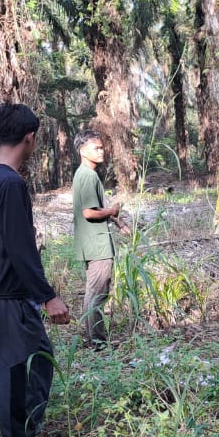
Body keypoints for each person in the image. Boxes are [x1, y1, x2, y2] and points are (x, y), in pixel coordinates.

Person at [0, 104, 71, 437]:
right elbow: (20, 247)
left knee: (31, 363)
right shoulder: (11, 183)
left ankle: (24, 436)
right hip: (10, 294)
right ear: (30, 138)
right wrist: (47, 296)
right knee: (20, 372)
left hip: (2, 290)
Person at [71, 129, 124, 347]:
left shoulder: (85, 174)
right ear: (83, 151)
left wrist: (118, 222)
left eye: (102, 148)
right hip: (97, 244)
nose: (101, 151)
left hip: (92, 242)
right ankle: (97, 343)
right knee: (97, 294)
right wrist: (112, 211)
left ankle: (94, 339)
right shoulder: (87, 175)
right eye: (96, 148)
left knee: (94, 292)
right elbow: (89, 212)